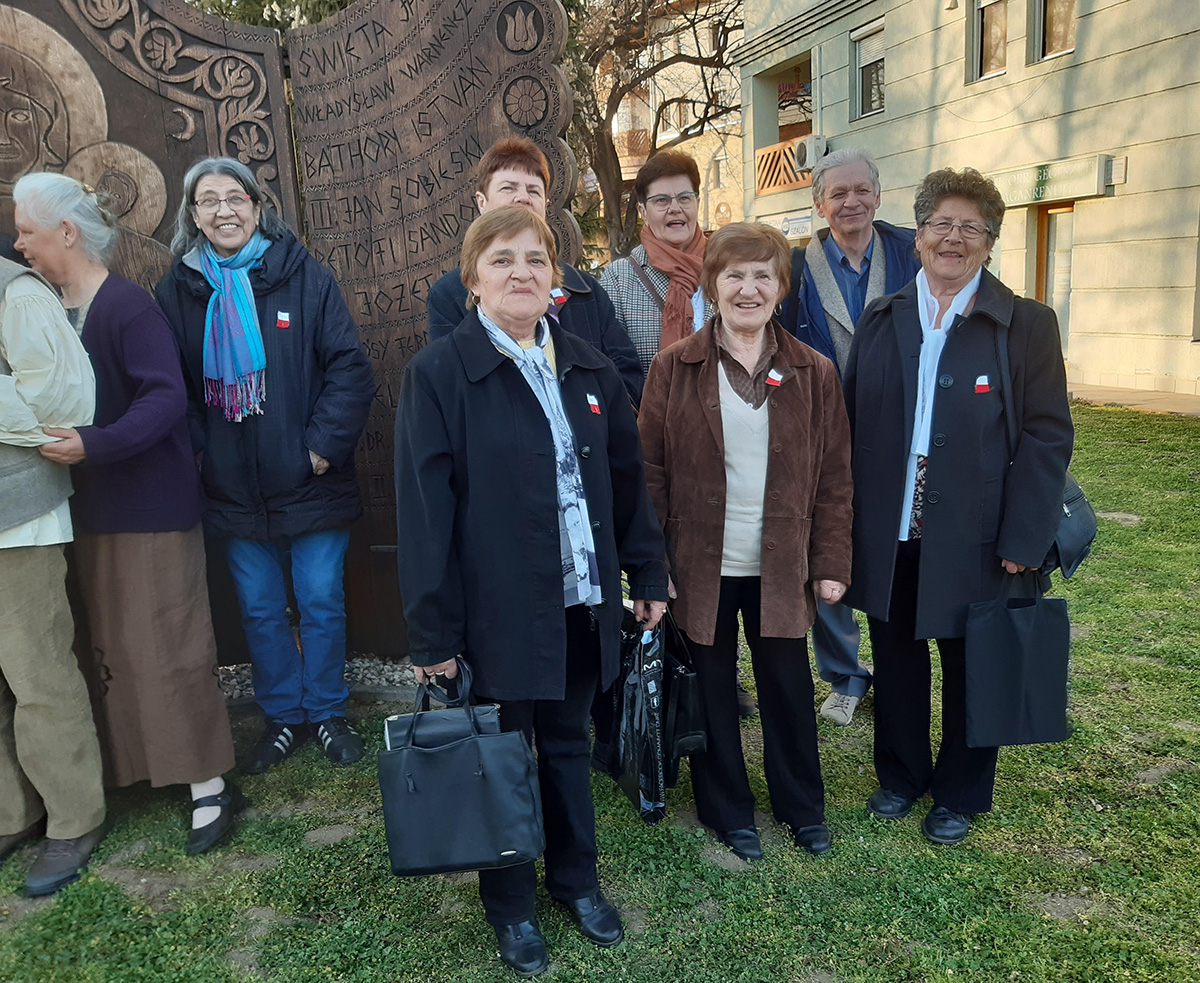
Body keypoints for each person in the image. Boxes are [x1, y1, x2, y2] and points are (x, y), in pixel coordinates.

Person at [395, 205, 669, 978]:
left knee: (569, 744)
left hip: (582, 601)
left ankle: (577, 881)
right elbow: (425, 517)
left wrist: (647, 571)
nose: (521, 271)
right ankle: (512, 906)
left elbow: (626, 483)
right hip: (498, 612)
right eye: (502, 259)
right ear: (472, 279)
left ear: (556, 279)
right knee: (504, 756)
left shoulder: (589, 367)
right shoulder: (439, 375)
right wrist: (433, 634)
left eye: (536, 259)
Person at [843, 167, 1073, 845]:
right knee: (897, 656)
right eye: (940, 223)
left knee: (974, 661)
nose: (953, 238)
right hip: (892, 525)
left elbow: (1047, 435)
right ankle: (900, 775)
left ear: (990, 243)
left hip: (980, 529)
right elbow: (850, 424)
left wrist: (1024, 536)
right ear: (917, 236)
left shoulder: (1025, 324)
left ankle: (961, 791)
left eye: (971, 227)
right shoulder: (882, 316)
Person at [13, 172, 240, 855]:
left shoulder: (127, 306)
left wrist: (96, 443)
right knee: (113, 647)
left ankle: (207, 781)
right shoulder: (45, 306)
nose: (18, 244)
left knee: (168, 644)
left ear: (66, 232)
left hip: (149, 507)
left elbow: (165, 398)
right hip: (87, 510)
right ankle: (141, 766)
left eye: (26, 231)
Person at [637, 222, 854, 863]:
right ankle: (727, 809)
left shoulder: (814, 371)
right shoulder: (674, 367)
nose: (749, 288)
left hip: (781, 564)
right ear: (713, 285)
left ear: (781, 287)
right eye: (734, 274)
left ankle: (801, 807)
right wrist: (651, 567)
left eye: (763, 275)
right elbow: (648, 474)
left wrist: (831, 561)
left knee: (788, 690)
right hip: (699, 565)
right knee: (711, 691)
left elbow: (835, 476)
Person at [155, 157, 375, 775]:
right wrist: (203, 453)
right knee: (258, 608)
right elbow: (172, 387)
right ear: (193, 214)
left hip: (310, 482)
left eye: (235, 197)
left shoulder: (303, 276)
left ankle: (327, 712)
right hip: (231, 489)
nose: (223, 210)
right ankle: (283, 716)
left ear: (257, 206)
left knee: (320, 601)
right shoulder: (178, 290)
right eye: (208, 200)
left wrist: (319, 448)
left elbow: (349, 368)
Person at [780, 147, 922, 727]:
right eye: (837, 193)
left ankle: (897, 667)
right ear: (820, 204)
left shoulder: (914, 251)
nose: (851, 202)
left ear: (878, 195)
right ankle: (845, 674)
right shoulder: (795, 269)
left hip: (901, 431)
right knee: (825, 550)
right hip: (822, 433)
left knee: (895, 550)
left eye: (861, 189)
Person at [0, 247, 106, 896]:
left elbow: (63, 398)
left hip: (16, 518)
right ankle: (12, 814)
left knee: (38, 674)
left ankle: (74, 817)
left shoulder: (16, 293)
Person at [426, 137, 643, 405]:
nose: (522, 198)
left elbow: (626, 375)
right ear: (482, 202)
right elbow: (451, 386)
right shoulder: (450, 294)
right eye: (508, 188)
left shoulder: (586, 291)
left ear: (546, 205)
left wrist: (588, 417)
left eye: (533, 190)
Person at [599, 150, 714, 377]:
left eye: (684, 198)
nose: (675, 208)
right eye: (662, 200)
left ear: (697, 203)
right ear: (642, 211)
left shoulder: (725, 267)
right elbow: (613, 370)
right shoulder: (618, 280)